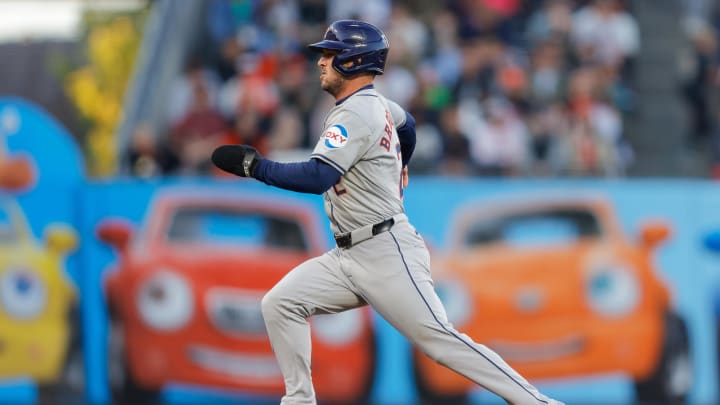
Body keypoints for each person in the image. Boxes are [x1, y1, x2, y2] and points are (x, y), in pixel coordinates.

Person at [211, 19, 564, 405]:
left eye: (330, 54)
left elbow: (316, 177)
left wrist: (255, 168)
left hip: (385, 251)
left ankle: (538, 403)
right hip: (349, 254)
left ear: (353, 60)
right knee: (280, 304)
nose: (320, 62)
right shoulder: (375, 105)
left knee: (441, 342)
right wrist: (402, 161)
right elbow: (407, 124)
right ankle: (299, 401)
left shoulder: (356, 113)